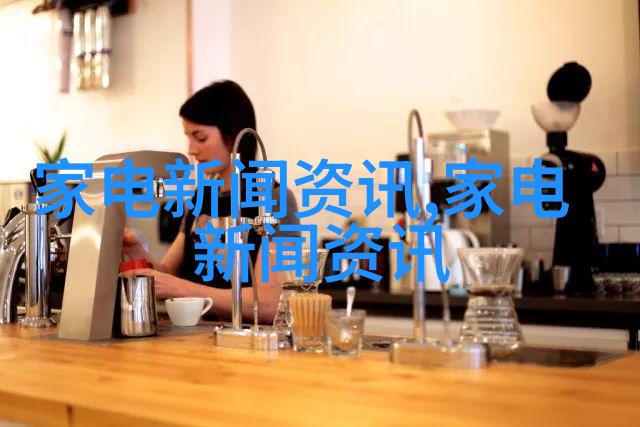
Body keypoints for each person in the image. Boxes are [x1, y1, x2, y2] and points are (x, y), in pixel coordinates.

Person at [122, 80, 299, 323]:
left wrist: (179, 288)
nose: (191, 150)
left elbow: (270, 302)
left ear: (232, 135)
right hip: (196, 335)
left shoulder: (274, 198)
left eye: (200, 138)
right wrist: (138, 255)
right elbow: (169, 272)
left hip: (248, 340)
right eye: (188, 137)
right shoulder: (202, 196)